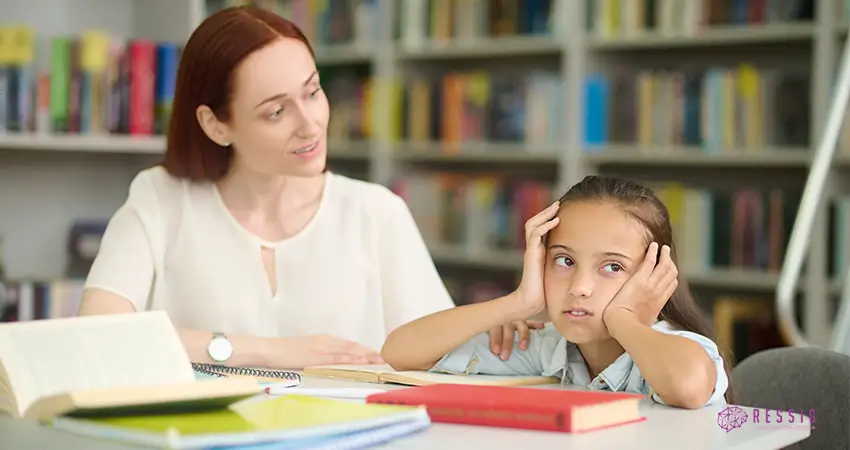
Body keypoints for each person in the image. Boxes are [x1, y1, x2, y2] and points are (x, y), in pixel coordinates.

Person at [77, 6, 535, 370]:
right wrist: (269, 352)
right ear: (216, 125)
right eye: (277, 112)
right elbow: (98, 336)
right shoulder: (161, 198)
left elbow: (443, 356)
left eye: (313, 92)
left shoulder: (376, 213)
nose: (310, 123)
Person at [382, 176, 735, 409]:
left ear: (654, 274)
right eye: (564, 260)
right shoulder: (550, 349)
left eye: (612, 267)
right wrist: (518, 303)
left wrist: (624, 320)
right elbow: (400, 352)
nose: (580, 287)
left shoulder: (674, 349)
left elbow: (688, 387)